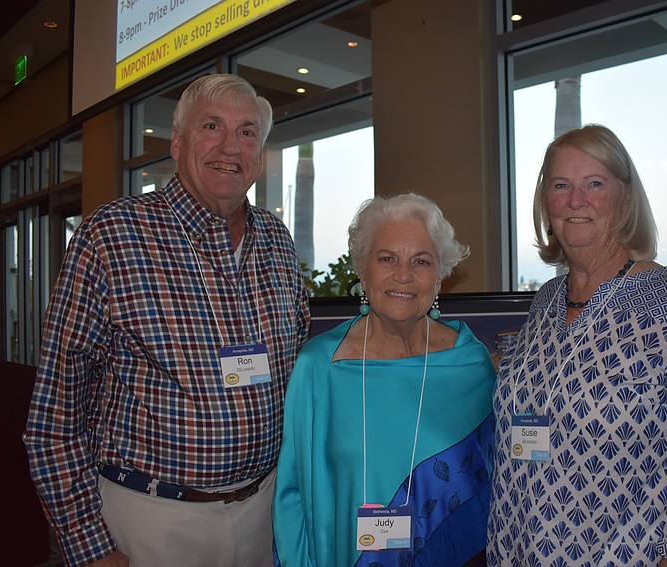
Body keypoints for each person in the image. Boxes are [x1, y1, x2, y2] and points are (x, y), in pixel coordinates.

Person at [24, 74, 310, 567]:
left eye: (247, 133)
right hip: (152, 520)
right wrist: (89, 547)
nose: (230, 146)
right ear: (177, 143)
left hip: (262, 514)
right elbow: (55, 416)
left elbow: (296, 369)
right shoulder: (112, 236)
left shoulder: (277, 242)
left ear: (260, 154)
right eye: (212, 126)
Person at [487, 124, 667, 566]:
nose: (576, 201)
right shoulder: (545, 303)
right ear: (545, 202)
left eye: (595, 183)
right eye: (561, 185)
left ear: (625, 198)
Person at [273, 193, 496, 566]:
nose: (403, 274)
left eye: (421, 261)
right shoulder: (319, 368)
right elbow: (292, 498)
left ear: (439, 277)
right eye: (387, 258)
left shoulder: (469, 364)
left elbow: (491, 487)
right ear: (363, 271)